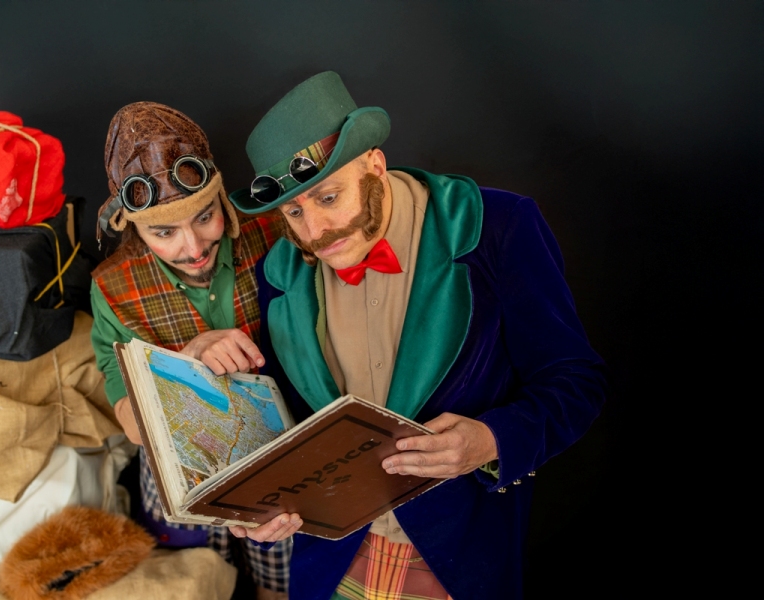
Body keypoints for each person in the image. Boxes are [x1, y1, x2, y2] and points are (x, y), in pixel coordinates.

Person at [225, 71, 608, 599]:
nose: (313, 233)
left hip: (456, 560)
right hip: (330, 565)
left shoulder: (498, 226)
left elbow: (576, 381)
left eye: (329, 197)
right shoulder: (277, 275)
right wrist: (261, 504)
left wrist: (491, 440)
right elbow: (285, 425)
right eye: (294, 211)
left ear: (374, 165)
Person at [89, 102, 289, 600]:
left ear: (221, 196)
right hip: (180, 466)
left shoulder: (278, 232)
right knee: (198, 580)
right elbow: (133, 426)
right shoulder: (112, 286)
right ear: (131, 227)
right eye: (164, 232)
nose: (194, 247)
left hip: (281, 448)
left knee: (282, 583)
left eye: (205, 217)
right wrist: (187, 357)